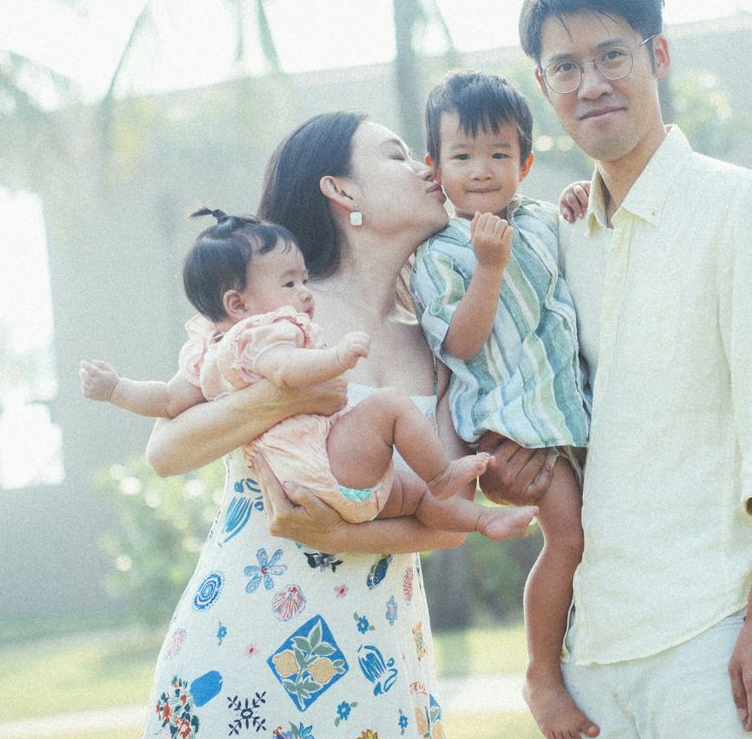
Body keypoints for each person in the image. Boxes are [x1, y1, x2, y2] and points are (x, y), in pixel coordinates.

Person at [488, 0, 752, 739]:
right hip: (595, 655)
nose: (593, 84)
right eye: (566, 67)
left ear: (659, 57)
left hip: (709, 637)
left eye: (613, 55)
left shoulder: (737, 206)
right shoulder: (563, 239)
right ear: (544, 89)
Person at [132, 112, 498, 739]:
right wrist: (284, 393)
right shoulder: (282, 315)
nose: (428, 169)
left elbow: (449, 518)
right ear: (343, 191)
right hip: (250, 636)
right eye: (398, 155)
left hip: (380, 651)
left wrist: (330, 530)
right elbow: (166, 451)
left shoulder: (434, 345)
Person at [79, 208, 536, 541]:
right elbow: (281, 372)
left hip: (337, 491)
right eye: (291, 283)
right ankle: (445, 482)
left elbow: (165, 397)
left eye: (302, 280)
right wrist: (334, 359)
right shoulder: (268, 331)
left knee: (421, 499)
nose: (304, 294)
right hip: (319, 475)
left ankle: (482, 519)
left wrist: (117, 390)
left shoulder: (212, 351)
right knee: (392, 411)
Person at [409, 69, 595, 739]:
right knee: (568, 538)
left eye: (498, 155)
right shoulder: (441, 252)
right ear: (435, 168)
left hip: (567, 408)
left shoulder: (545, 220)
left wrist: (584, 195)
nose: (481, 171)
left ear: (526, 162)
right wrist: (487, 269)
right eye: (462, 156)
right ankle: (542, 673)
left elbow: (584, 241)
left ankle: (578, 657)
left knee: (591, 539)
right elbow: (458, 341)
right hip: (510, 418)